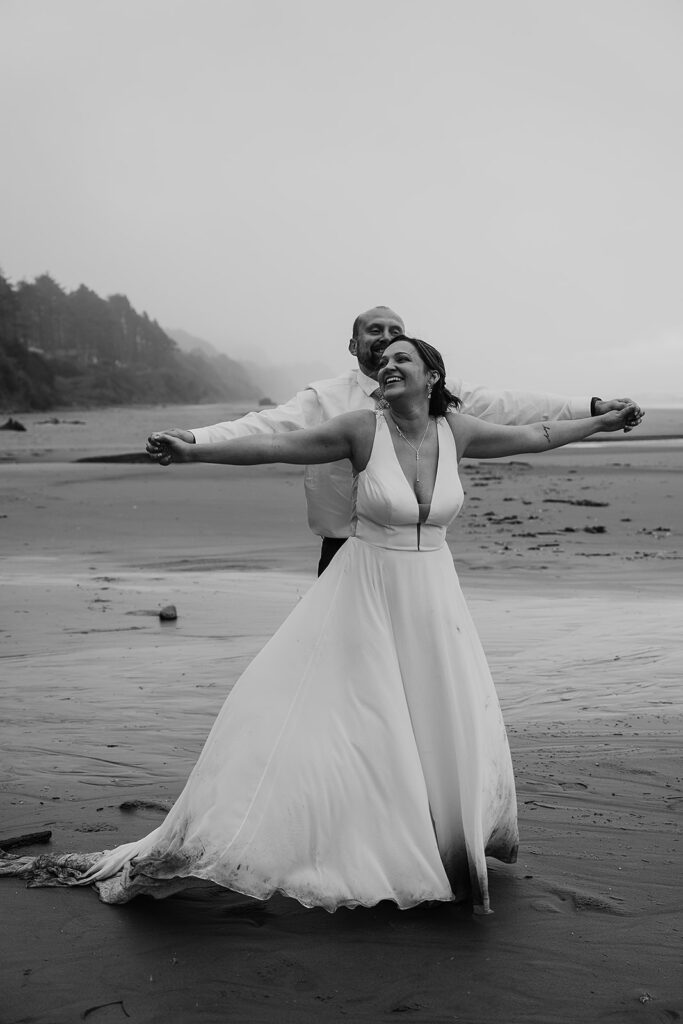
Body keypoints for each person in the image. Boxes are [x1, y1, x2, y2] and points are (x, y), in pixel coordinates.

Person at [1, 335, 639, 915]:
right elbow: (277, 443)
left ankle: (446, 839)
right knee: (365, 721)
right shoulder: (361, 430)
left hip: (435, 598)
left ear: (433, 374)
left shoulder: (458, 430)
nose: (386, 366)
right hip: (367, 589)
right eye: (381, 361)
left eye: (401, 360)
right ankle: (371, 847)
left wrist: (603, 421)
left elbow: (537, 436)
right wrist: (197, 449)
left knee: (438, 718)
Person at [146, 306, 643, 575]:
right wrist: (196, 439)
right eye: (374, 331)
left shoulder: (448, 410)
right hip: (347, 550)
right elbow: (268, 433)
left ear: (429, 372)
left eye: (397, 333)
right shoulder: (332, 402)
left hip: (427, 565)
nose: (385, 340)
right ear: (354, 345)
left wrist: (592, 409)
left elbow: (522, 414)